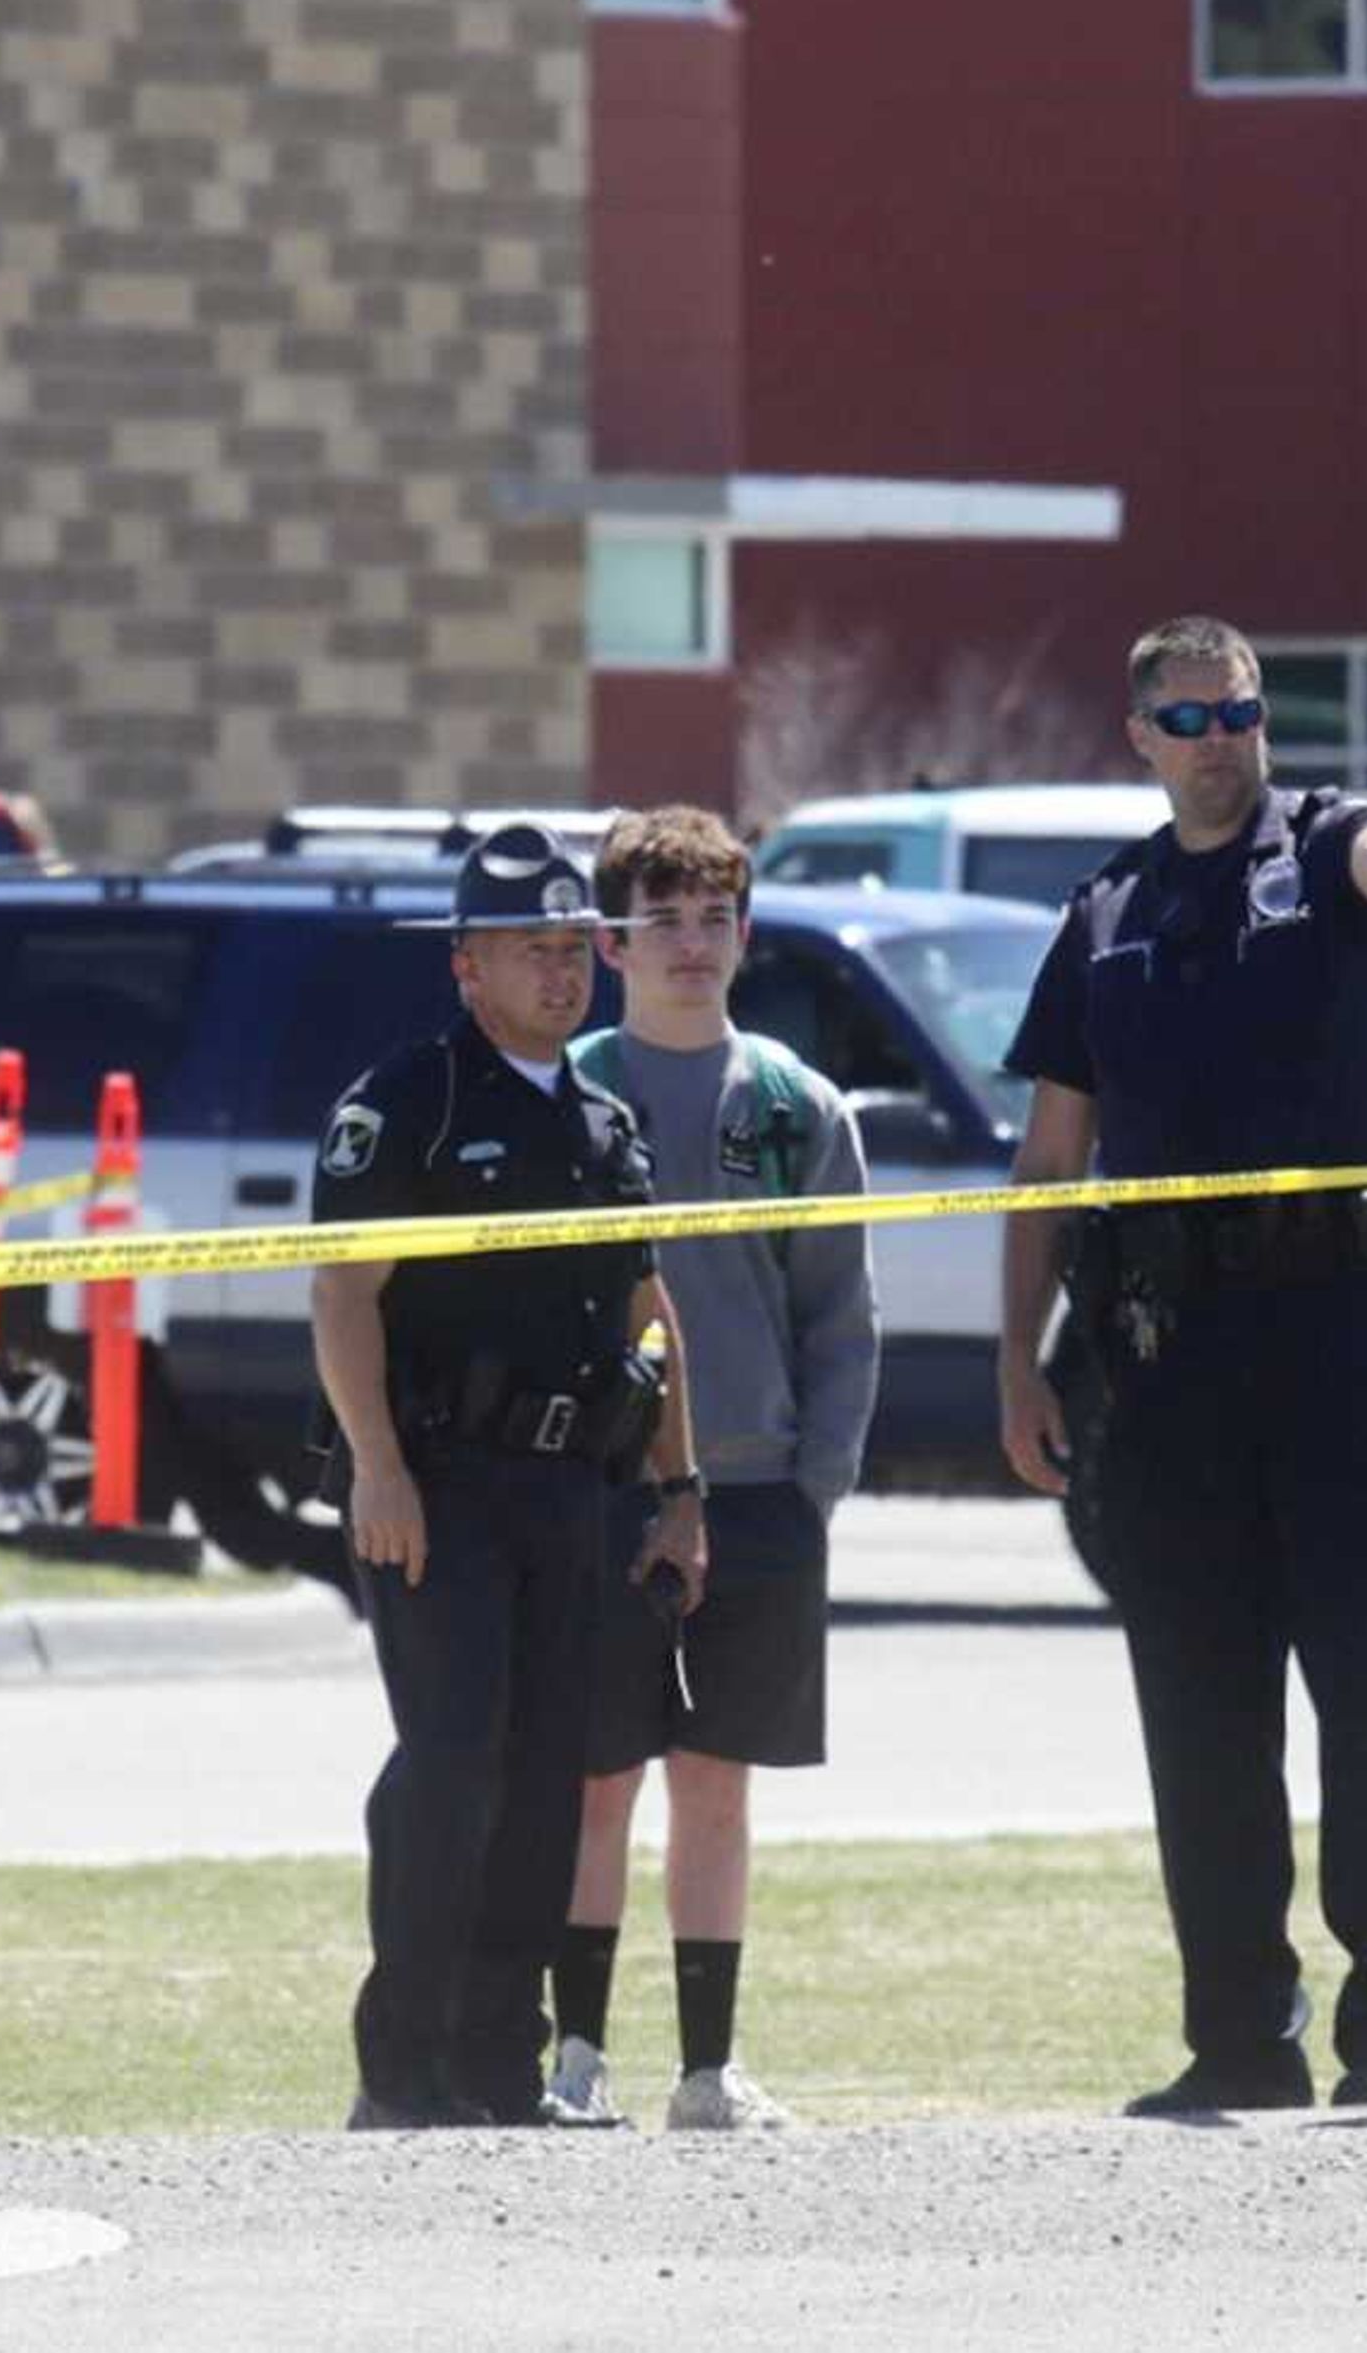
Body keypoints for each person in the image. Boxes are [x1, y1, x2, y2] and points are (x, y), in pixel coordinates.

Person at [995, 616, 1367, 2117]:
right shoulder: (1107, 913)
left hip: (1343, 1340)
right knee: (1199, 1705)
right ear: (1139, 734)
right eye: (1189, 717)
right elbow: (1051, 1153)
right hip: (1167, 1360)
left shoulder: (1325, 849)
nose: (1219, 738)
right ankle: (1236, 2036)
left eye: (1241, 712)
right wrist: (1018, 1359)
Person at [310, 818, 711, 2131]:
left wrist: (680, 1487)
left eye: (571, 945)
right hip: (440, 1482)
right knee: (452, 1761)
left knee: (550, 1771)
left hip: (572, 1492)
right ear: (466, 966)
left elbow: (652, 1309)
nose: (561, 970)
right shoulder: (408, 1100)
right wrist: (376, 1466)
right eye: (527, 950)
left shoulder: (602, 1118)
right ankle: (402, 2063)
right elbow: (344, 1297)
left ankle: (499, 2059)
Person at [546, 804, 877, 2134]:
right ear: (611, 942)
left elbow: (841, 1315)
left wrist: (813, 1488)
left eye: (715, 918)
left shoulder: (800, 1105)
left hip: (756, 1490)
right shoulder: (563, 1088)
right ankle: (574, 2058)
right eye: (662, 920)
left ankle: (708, 2065)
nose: (692, 945)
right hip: (598, 1491)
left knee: (716, 1784)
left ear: (746, 933)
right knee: (593, 1780)